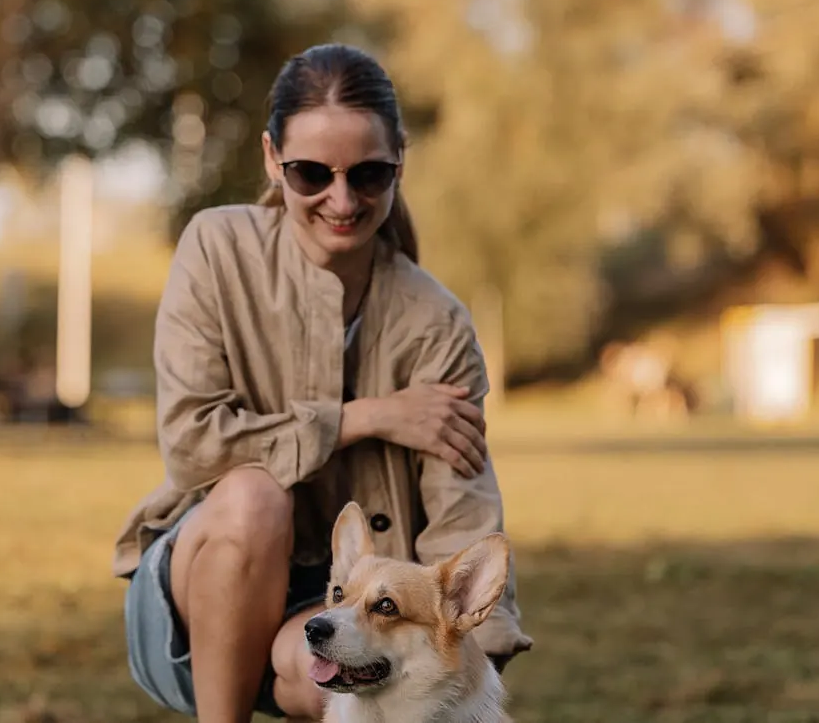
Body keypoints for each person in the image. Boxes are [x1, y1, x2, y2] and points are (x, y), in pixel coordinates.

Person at [112, 43, 532, 723]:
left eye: (369, 174)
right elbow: (192, 444)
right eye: (311, 173)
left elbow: (464, 517)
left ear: (400, 160)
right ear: (272, 158)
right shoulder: (216, 249)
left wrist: (473, 661)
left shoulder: (439, 323)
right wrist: (366, 417)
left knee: (354, 678)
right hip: (203, 584)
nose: (342, 200)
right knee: (253, 498)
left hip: (341, 606)